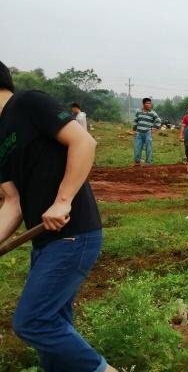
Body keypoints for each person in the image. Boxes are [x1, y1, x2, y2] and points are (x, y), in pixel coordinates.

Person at [0, 61, 117, 372]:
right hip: (45, 241)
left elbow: (84, 142)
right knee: (53, 329)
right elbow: (13, 203)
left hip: (73, 234)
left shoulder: (26, 103)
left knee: (33, 322)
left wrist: (63, 200)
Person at [133, 97, 161, 166]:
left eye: (150, 103)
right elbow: (135, 121)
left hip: (147, 132)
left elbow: (158, 121)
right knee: (137, 148)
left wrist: (154, 128)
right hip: (139, 133)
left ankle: (148, 162)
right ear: (143, 104)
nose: (149, 105)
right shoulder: (139, 112)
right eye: (147, 103)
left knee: (148, 148)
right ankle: (137, 162)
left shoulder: (152, 113)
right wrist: (134, 130)